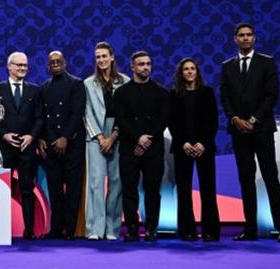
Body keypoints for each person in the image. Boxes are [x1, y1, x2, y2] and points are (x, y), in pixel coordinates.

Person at [220, 22, 280, 243]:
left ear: (255, 38)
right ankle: (250, 228)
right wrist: (235, 119)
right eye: (241, 35)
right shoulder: (227, 66)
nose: (245, 38)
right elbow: (225, 97)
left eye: (249, 35)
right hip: (238, 131)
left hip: (261, 129)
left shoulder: (267, 63)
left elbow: (271, 95)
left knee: (270, 177)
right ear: (235, 39)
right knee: (246, 180)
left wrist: (252, 119)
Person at [114, 51, 170, 242]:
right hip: (129, 148)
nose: (145, 67)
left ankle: (151, 228)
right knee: (129, 190)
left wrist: (147, 140)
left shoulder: (161, 92)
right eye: (141, 64)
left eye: (148, 64)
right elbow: (121, 120)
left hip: (153, 150)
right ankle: (131, 228)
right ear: (132, 67)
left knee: (153, 190)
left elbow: (163, 120)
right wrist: (138, 138)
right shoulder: (121, 92)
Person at [0, 52, 43, 240]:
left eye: (25, 66)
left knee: (27, 189)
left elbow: (39, 118)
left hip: (27, 148)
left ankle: (29, 230)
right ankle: (0, 229)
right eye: (18, 65)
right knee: (2, 190)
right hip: (5, 148)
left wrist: (32, 136)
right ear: (9, 67)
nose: (22, 68)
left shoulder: (34, 90)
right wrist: (4, 135)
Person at [168, 58, 220, 242]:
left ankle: (210, 231)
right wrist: (183, 143)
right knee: (184, 190)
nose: (189, 72)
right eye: (186, 69)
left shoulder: (207, 93)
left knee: (208, 189)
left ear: (197, 72)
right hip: (183, 148)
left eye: (192, 69)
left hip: (204, 148)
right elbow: (172, 122)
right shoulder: (174, 94)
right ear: (181, 73)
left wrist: (203, 143)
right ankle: (187, 230)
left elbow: (213, 121)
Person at [83, 42, 129, 241]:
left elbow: (126, 113)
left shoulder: (125, 82)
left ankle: (112, 228)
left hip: (118, 133)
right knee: (95, 182)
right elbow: (87, 113)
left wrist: (114, 135)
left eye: (104, 56)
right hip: (95, 135)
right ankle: (94, 228)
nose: (101, 60)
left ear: (112, 57)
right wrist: (101, 137)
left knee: (117, 183)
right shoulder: (88, 83)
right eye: (98, 57)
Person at [38, 51, 86, 240]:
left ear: (65, 63)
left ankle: (71, 229)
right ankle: (56, 228)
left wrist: (65, 137)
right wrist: (48, 139)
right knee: (55, 188)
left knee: (73, 188)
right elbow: (42, 116)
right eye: (52, 62)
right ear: (48, 66)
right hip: (52, 145)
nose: (56, 64)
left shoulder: (76, 84)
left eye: (59, 61)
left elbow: (77, 113)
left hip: (72, 144)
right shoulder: (44, 88)